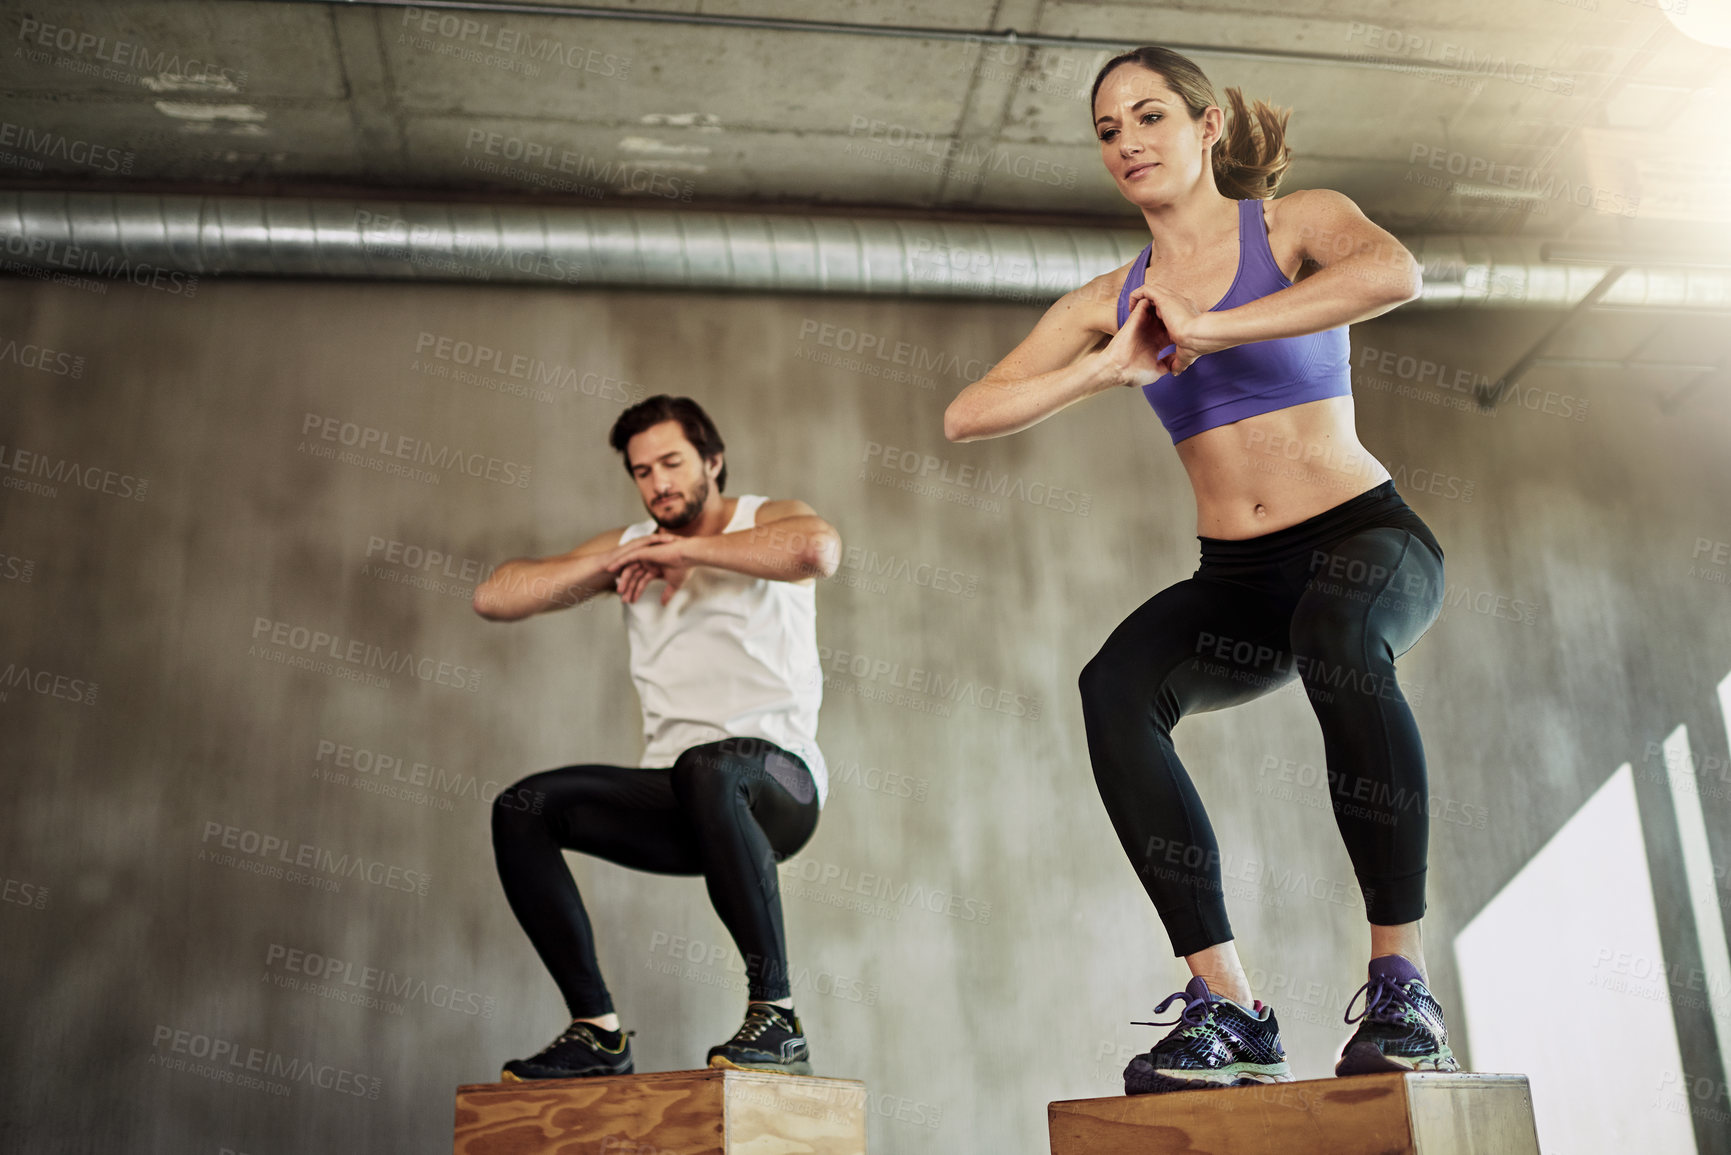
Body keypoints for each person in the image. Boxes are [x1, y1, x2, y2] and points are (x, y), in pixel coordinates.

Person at [944, 46, 1457, 1094]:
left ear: (1207, 123)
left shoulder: (1293, 223)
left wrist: (1212, 328)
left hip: (1365, 538)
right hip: (1240, 580)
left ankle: (1401, 983)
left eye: (1148, 117)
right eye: (1106, 131)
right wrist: (1108, 365)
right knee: (1114, 689)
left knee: (1342, 638)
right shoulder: (1111, 297)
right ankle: (1228, 1002)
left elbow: (1393, 272)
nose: (1127, 142)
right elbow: (966, 414)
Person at [475, 395, 840, 1080]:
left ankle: (778, 1016)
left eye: (672, 462)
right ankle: (597, 1031)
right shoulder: (631, 547)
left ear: (712, 459)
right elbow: (493, 596)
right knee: (522, 806)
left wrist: (686, 551)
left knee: (710, 766)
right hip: (685, 796)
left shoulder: (767, 517)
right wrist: (610, 563)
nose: (659, 483)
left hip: (784, 786)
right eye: (642, 472)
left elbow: (816, 549)